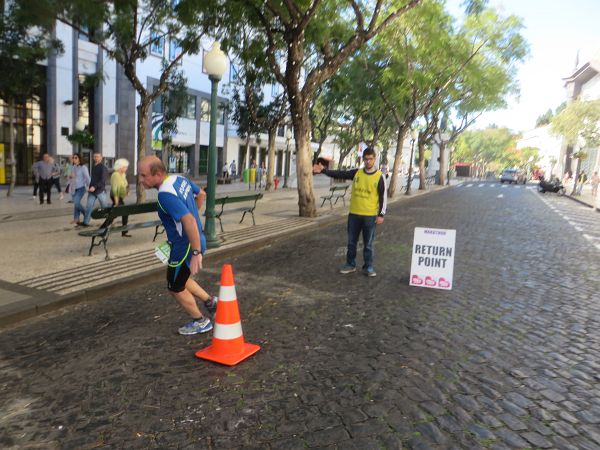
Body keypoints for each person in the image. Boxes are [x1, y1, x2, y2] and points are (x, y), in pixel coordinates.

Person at [138, 155, 218, 335]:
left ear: (157, 174)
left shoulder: (165, 195)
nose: (140, 180)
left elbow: (188, 219)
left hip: (185, 246)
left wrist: (196, 251)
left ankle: (201, 321)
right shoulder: (179, 178)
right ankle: (211, 302)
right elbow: (201, 195)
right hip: (196, 239)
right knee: (182, 278)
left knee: (174, 287)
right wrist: (191, 218)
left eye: (144, 176)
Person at [313, 146, 387, 277]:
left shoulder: (379, 176)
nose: (368, 161)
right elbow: (340, 174)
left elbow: (383, 197)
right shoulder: (356, 173)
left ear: (374, 159)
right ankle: (350, 264)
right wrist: (324, 170)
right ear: (363, 159)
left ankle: (368, 266)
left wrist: (381, 214)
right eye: (366, 159)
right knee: (351, 242)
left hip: (369, 216)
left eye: (370, 159)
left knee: (368, 244)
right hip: (354, 214)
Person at [102, 158, 131, 237]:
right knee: (115, 214)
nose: (126, 168)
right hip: (115, 196)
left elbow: (125, 184)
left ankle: (123, 231)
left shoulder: (123, 175)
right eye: (125, 167)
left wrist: (126, 191)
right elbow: (115, 189)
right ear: (120, 167)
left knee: (122, 213)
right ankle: (102, 229)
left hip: (120, 197)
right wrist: (116, 201)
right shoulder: (115, 175)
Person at [81, 152, 109, 226]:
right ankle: (85, 222)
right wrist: (89, 186)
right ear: (93, 158)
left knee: (104, 207)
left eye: (98, 156)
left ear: (101, 158)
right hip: (92, 191)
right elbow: (93, 179)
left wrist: (94, 187)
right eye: (95, 156)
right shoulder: (93, 167)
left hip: (100, 191)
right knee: (88, 206)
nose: (96, 158)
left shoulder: (103, 167)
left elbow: (102, 180)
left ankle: (109, 221)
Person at [69, 153, 90, 224]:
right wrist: (70, 177)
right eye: (73, 158)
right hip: (74, 188)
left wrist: (90, 186)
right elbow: (71, 178)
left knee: (76, 202)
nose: (74, 159)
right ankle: (76, 219)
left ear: (79, 159)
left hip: (81, 188)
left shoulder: (83, 167)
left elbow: (87, 177)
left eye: (75, 158)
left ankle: (86, 214)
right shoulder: (73, 167)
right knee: (76, 204)